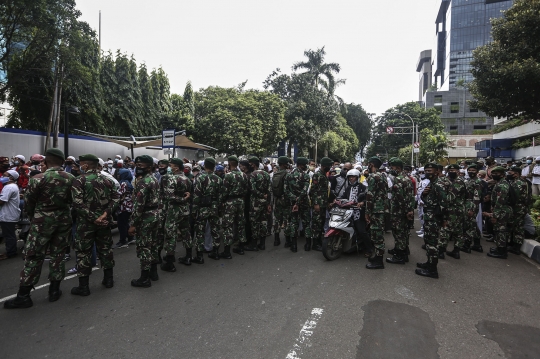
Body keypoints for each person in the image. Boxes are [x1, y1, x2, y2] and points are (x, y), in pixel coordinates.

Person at [4, 149, 74, 309]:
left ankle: (24, 295)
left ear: (47, 162)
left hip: (42, 221)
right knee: (58, 254)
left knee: (34, 255)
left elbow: (29, 204)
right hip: (63, 219)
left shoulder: (37, 179)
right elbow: (73, 200)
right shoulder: (71, 178)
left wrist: (34, 217)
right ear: (62, 162)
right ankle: (54, 291)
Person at [70, 154, 120, 297]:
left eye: (81, 164)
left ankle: (83, 287)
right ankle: (108, 280)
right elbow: (116, 197)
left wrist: (94, 218)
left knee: (83, 252)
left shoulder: (79, 180)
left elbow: (77, 203)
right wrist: (105, 214)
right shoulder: (107, 179)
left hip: (86, 224)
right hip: (104, 222)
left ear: (85, 165)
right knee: (105, 249)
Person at [129, 155, 160, 287]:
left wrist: (133, 224)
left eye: (140, 165)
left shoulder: (143, 182)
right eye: (137, 165)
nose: (137, 167)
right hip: (155, 215)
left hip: (145, 217)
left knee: (144, 247)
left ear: (148, 166)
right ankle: (154, 273)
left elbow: (138, 206)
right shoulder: (153, 178)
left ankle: (144, 278)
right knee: (152, 245)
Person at [416, 163, 447, 279]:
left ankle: (432, 270)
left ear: (436, 171)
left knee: (432, 244)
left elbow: (444, 203)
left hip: (434, 217)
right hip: (429, 216)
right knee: (428, 242)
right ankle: (429, 263)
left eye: (430, 170)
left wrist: (444, 219)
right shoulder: (431, 183)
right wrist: (424, 194)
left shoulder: (439, 184)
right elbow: (428, 199)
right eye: (426, 170)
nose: (428, 172)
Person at [161, 158, 191, 271]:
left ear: (176, 167)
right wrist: (185, 199)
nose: (169, 167)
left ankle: (169, 262)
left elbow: (170, 196)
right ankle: (188, 256)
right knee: (186, 232)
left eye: (171, 165)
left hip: (174, 210)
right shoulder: (187, 179)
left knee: (170, 234)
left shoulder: (172, 179)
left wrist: (182, 199)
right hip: (185, 210)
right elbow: (189, 194)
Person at [192, 157, 223, 261]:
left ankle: (199, 256)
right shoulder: (218, 179)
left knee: (200, 231)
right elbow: (220, 196)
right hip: (214, 207)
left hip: (203, 207)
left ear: (204, 166)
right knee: (215, 230)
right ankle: (216, 252)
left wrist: (194, 210)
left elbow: (196, 196)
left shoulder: (200, 178)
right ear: (214, 166)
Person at [337, 168, 372, 256]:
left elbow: (367, 197)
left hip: (358, 212)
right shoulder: (348, 188)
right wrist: (336, 200)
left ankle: (369, 249)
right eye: (350, 177)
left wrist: (362, 202)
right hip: (348, 211)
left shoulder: (363, 187)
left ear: (357, 178)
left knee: (361, 231)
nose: (351, 179)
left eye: (353, 177)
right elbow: (343, 197)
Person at [386, 158, 414, 264]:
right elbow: (410, 196)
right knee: (404, 232)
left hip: (399, 212)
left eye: (392, 166)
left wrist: (406, 211)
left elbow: (400, 198)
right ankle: (403, 250)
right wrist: (409, 210)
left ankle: (400, 256)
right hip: (405, 210)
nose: (390, 168)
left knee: (399, 233)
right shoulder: (406, 178)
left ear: (397, 167)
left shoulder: (399, 179)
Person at [221, 155, 248, 257]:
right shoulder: (244, 175)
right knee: (241, 224)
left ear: (229, 163)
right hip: (240, 201)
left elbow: (224, 192)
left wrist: (222, 202)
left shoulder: (228, 176)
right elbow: (246, 190)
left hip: (230, 202)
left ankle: (227, 251)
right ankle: (241, 248)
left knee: (228, 225)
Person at [483, 167, 513, 259]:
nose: (494, 174)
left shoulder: (502, 185)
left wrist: (494, 216)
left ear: (502, 174)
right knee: (498, 230)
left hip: (502, 211)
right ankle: (499, 248)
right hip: (501, 210)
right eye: (493, 173)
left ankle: (502, 252)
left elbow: (500, 202)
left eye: (497, 173)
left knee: (501, 231)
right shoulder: (499, 183)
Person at [365, 156, 388, 269]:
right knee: (377, 233)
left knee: (377, 235)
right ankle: (377, 257)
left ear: (371, 164)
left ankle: (379, 261)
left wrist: (367, 212)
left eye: (369, 164)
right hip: (381, 209)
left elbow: (370, 196)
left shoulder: (373, 177)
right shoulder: (383, 176)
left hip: (375, 210)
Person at [244, 156, 272, 251]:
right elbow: (269, 190)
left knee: (254, 223)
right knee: (263, 222)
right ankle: (262, 244)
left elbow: (252, 189)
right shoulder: (266, 174)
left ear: (254, 164)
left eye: (250, 164)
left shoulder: (253, 174)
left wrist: (260, 195)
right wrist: (268, 202)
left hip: (255, 203)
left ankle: (254, 244)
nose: (250, 165)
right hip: (264, 202)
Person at [284, 157, 311, 253]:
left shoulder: (288, 175)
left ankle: (294, 246)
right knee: (306, 223)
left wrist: (294, 200)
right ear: (302, 165)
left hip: (292, 203)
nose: (307, 166)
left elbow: (286, 190)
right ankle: (308, 245)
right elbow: (304, 191)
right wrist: (298, 201)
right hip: (303, 203)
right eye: (306, 164)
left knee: (293, 223)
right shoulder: (306, 176)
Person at [308, 157, 332, 251]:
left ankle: (319, 241)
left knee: (321, 223)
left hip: (323, 204)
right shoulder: (317, 175)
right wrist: (316, 204)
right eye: (329, 165)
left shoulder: (323, 175)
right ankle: (315, 244)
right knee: (316, 224)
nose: (330, 167)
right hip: (318, 204)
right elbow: (313, 191)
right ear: (324, 165)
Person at [445, 164, 468, 259]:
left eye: (454, 170)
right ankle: (456, 251)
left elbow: (450, 198)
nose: (451, 171)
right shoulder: (453, 181)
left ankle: (441, 251)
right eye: (450, 170)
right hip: (458, 209)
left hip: (454, 210)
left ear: (458, 171)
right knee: (458, 231)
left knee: (446, 230)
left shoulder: (458, 182)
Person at [507, 165, 530, 255]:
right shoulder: (517, 181)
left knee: (517, 228)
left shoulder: (519, 183)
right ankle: (514, 245)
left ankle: (516, 247)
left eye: (510, 173)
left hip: (518, 208)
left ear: (516, 174)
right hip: (520, 207)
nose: (508, 174)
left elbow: (514, 197)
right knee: (517, 227)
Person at [0, 170, 21, 261]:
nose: (2, 177)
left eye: (4, 175)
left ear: (11, 177)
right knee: (8, 234)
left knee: (9, 235)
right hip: (10, 214)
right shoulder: (13, 186)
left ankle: (11, 252)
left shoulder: (9, 187)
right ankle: (10, 251)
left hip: (8, 215)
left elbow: (2, 201)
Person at [463, 164, 484, 253]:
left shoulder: (477, 181)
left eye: (473, 170)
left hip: (472, 204)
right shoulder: (469, 180)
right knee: (473, 225)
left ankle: (466, 245)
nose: (471, 172)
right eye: (469, 170)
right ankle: (477, 244)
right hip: (467, 203)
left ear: (477, 172)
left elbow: (477, 196)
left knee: (469, 225)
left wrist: (473, 209)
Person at [272, 156, 290, 247]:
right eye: (287, 163)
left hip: (277, 199)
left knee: (277, 220)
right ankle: (287, 241)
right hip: (285, 200)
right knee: (286, 220)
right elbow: (287, 189)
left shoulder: (275, 174)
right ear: (284, 164)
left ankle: (276, 239)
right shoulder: (287, 174)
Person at [115, 168, 134, 248]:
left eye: (120, 174)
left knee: (121, 224)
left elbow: (119, 194)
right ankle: (130, 238)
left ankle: (123, 241)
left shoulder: (123, 183)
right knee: (125, 223)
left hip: (124, 207)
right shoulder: (128, 182)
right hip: (128, 207)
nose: (119, 175)